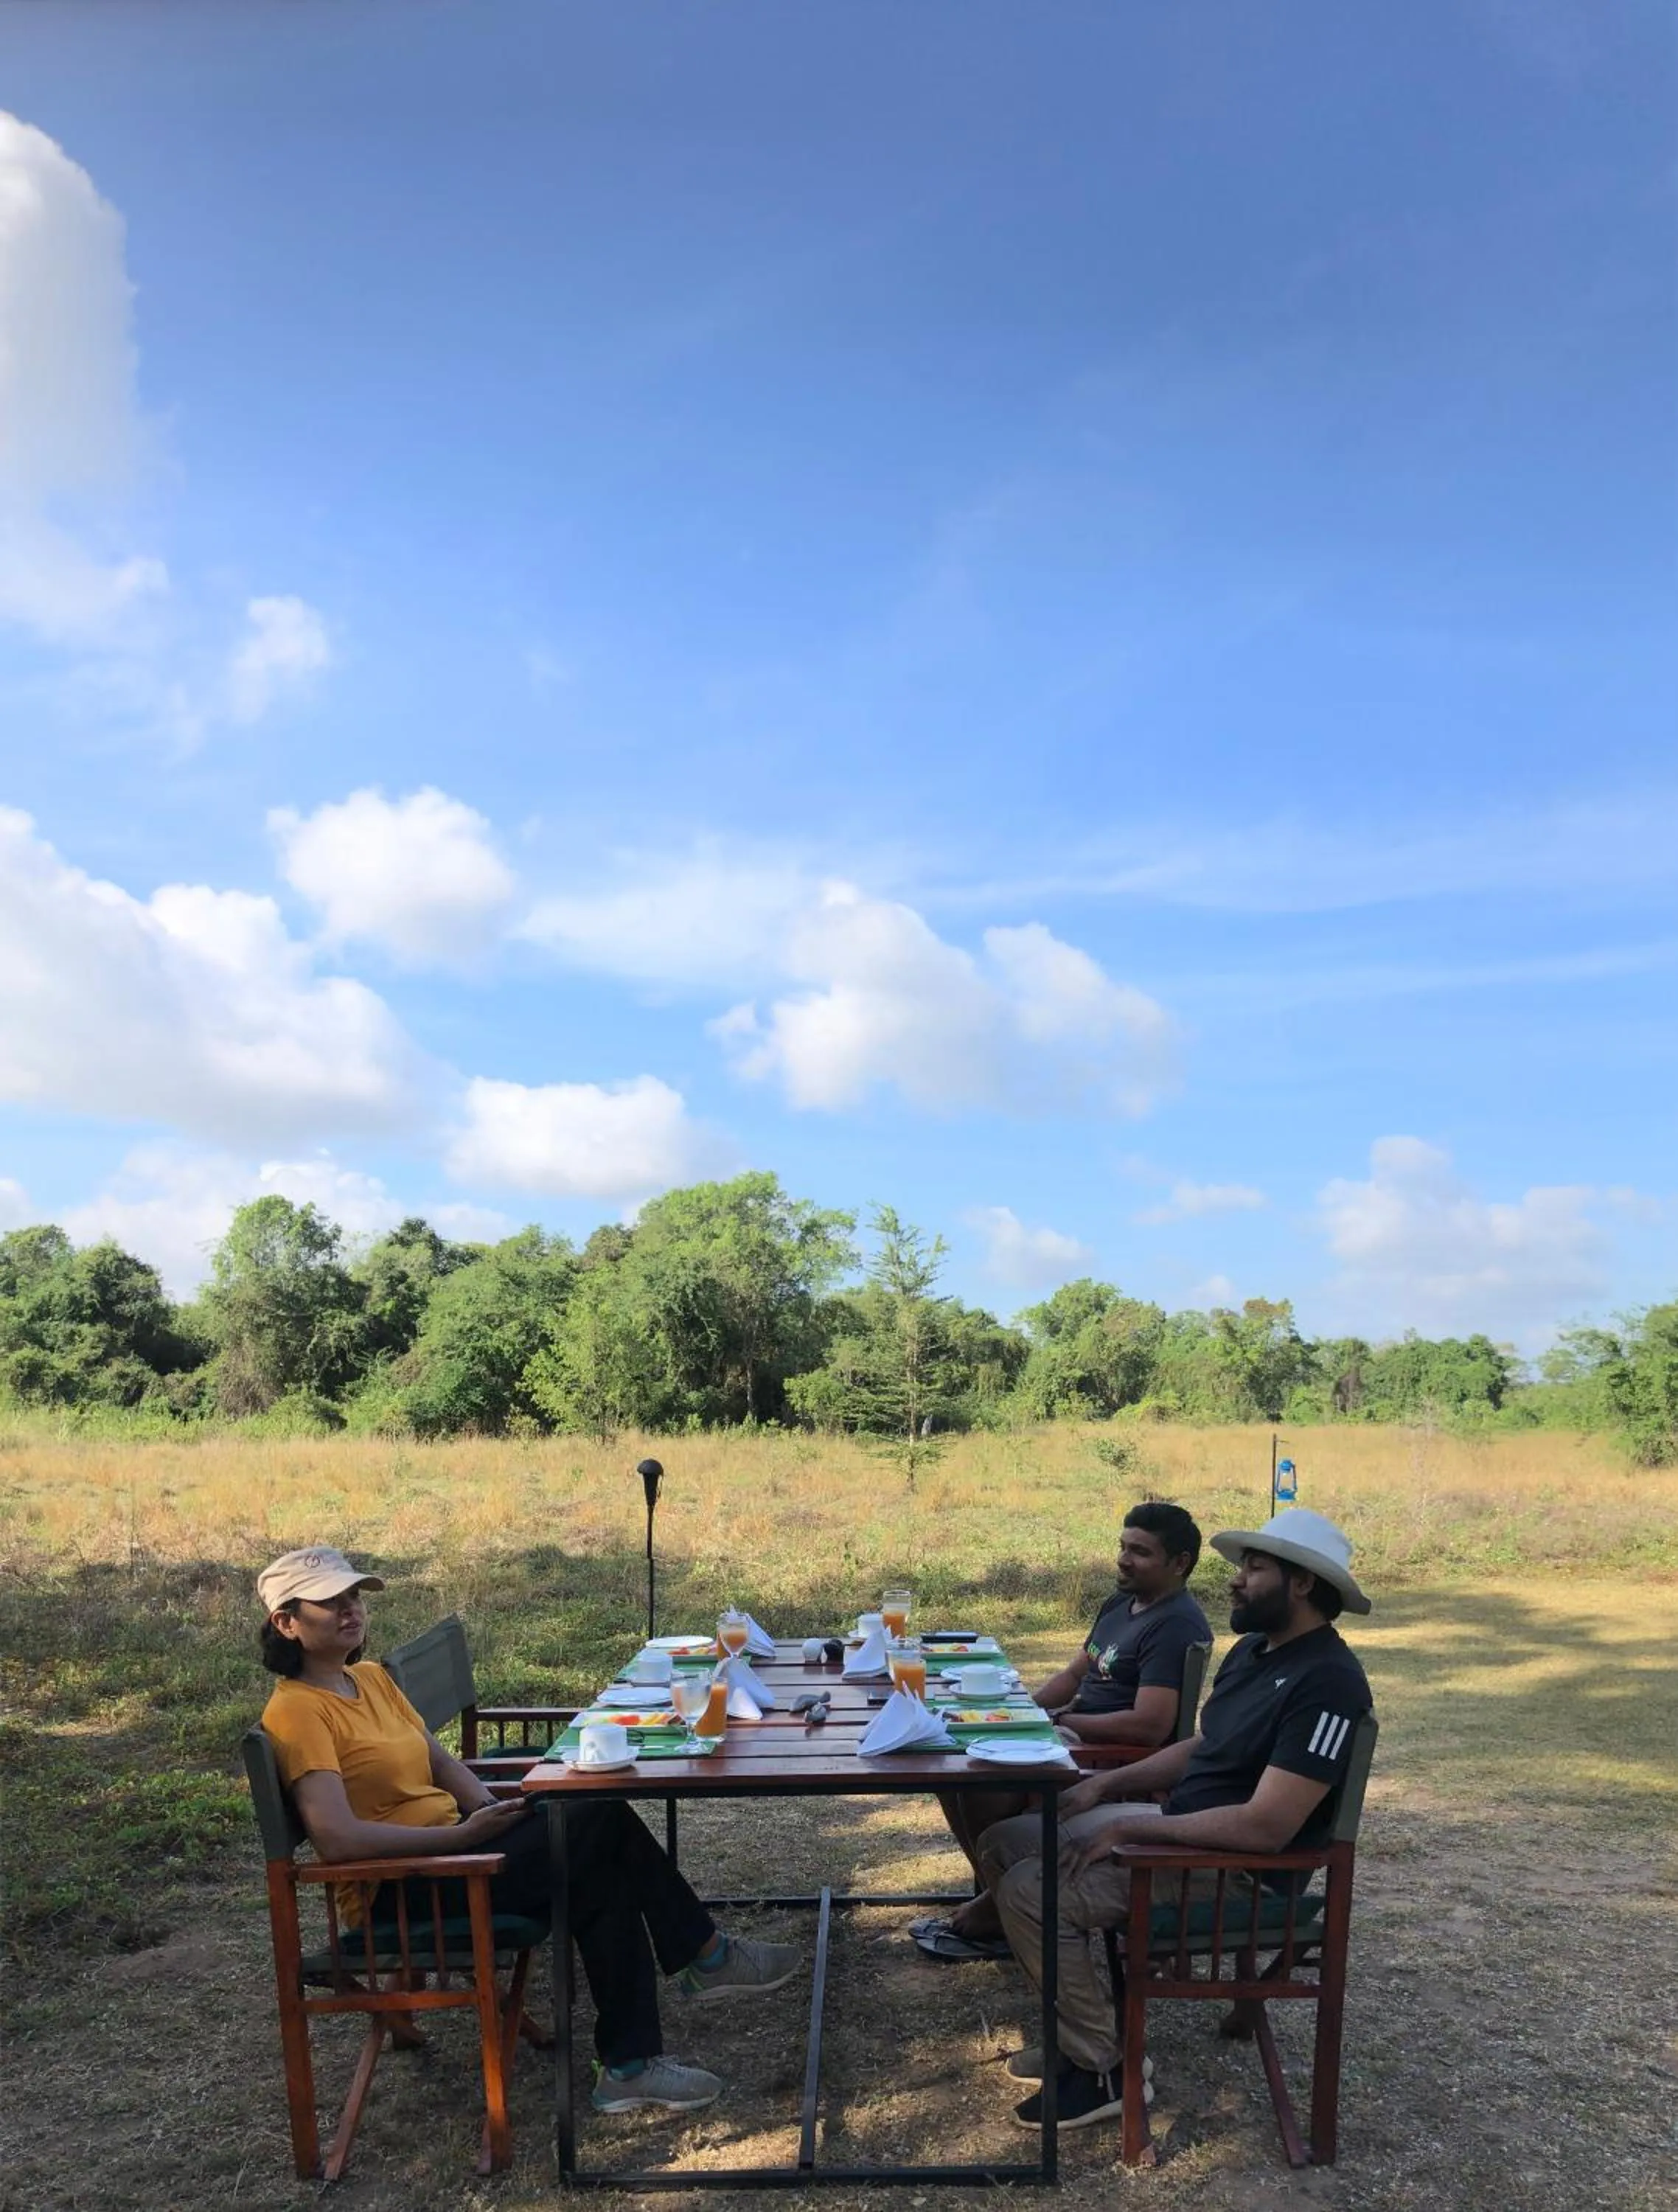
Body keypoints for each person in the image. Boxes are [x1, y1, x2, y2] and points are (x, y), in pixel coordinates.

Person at [257, 1545, 798, 2116]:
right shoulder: (298, 1712)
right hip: (404, 1887)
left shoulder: (368, 1679)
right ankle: (704, 1957)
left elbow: (439, 1762)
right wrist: (464, 1839)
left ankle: (630, 2067)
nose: (350, 1610)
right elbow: (338, 1839)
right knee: (599, 1815)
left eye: (353, 1596)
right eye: (329, 1603)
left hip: (459, 1848)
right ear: (286, 1623)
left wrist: (497, 1812)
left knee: (597, 1867)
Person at [982, 1507, 1375, 2133]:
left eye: (1254, 1567)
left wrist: (1130, 1827)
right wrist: (1107, 1786)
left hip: (1237, 1873)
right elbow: (1202, 1747)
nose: (1236, 1580)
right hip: (1179, 1830)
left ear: (1301, 1584)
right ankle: (1078, 2030)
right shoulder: (1255, 1652)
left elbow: (1265, 1829)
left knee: (1034, 1892)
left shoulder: (1328, 1684)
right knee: (1004, 1842)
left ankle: (1103, 2069)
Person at [912, 1500, 1210, 1961]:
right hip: (1074, 1736)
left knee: (979, 1784)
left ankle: (1001, 1911)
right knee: (956, 1769)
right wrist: (1021, 1711)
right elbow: (1074, 1677)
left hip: (1110, 1754)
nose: (1124, 1560)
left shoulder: (1174, 1624)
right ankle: (1001, 1898)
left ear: (1180, 1563)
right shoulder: (1121, 1603)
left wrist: (1063, 1722)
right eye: (1123, 1546)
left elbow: (1150, 1727)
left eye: (1140, 1552)